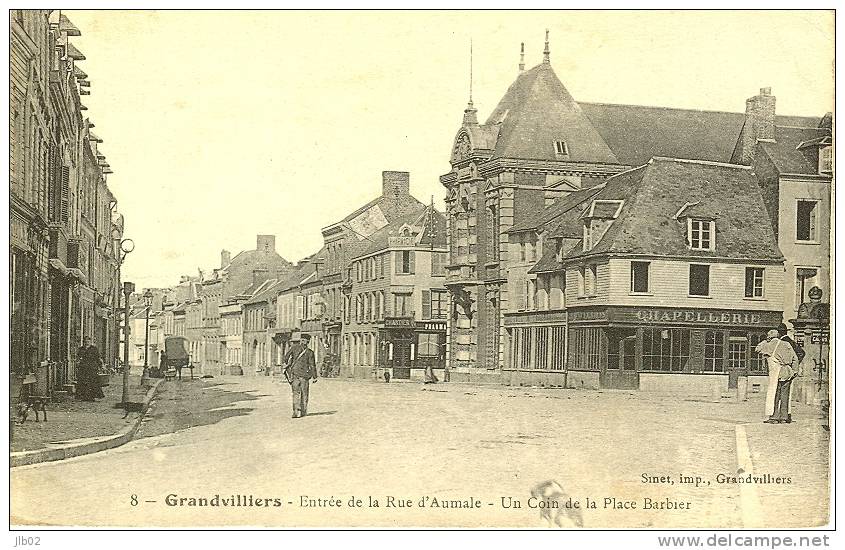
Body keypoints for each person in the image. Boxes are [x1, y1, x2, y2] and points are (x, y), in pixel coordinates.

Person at [756, 328, 799, 423]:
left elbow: (757, 349)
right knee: (785, 395)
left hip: (776, 372)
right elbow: (795, 358)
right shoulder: (787, 344)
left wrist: (764, 341)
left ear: (769, 337)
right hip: (787, 372)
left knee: (774, 394)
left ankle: (774, 417)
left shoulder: (768, 345)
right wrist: (794, 371)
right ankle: (784, 417)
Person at [284, 334, 317, 418]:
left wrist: (290, 364)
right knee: (304, 393)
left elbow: (285, 358)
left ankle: (295, 411)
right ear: (308, 342)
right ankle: (303, 411)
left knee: (295, 393)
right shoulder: (310, 352)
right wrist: (314, 376)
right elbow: (312, 365)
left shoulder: (294, 348)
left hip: (294, 374)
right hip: (304, 376)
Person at [77, 336, 105, 401]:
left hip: (92, 368)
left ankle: (92, 396)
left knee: (92, 382)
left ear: (90, 342)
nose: (87, 343)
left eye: (88, 341)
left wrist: (101, 366)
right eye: (85, 341)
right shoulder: (81, 349)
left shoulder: (94, 349)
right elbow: (78, 357)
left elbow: (98, 358)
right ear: (84, 342)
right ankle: (84, 396)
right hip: (83, 368)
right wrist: (78, 362)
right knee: (84, 382)